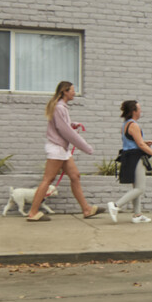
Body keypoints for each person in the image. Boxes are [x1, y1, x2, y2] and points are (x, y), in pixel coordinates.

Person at [27, 80, 101, 222]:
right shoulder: (59, 107)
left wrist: (73, 124)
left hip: (61, 148)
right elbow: (65, 131)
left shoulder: (61, 107)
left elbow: (63, 126)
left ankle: (86, 209)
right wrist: (86, 147)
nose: (74, 92)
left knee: (75, 176)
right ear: (65, 92)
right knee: (48, 179)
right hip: (57, 148)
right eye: (72, 90)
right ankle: (33, 213)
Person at [107, 99, 152, 224]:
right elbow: (140, 145)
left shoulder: (125, 124)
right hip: (135, 158)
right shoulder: (134, 125)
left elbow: (132, 141)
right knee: (140, 188)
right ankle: (116, 205)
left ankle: (137, 215)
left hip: (128, 156)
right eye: (139, 109)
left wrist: (144, 142)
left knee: (136, 187)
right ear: (133, 111)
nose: (141, 111)